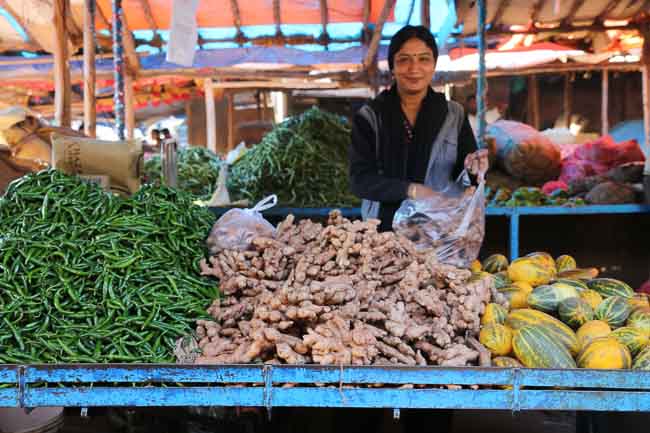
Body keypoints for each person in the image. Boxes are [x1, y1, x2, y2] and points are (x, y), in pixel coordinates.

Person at [349, 25, 488, 232]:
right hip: (383, 233)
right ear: (392, 67)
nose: (414, 68)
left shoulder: (453, 114)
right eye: (404, 60)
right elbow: (360, 181)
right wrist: (411, 190)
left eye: (424, 59)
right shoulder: (370, 116)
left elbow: (466, 174)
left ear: (433, 65)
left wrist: (473, 168)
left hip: (440, 229)